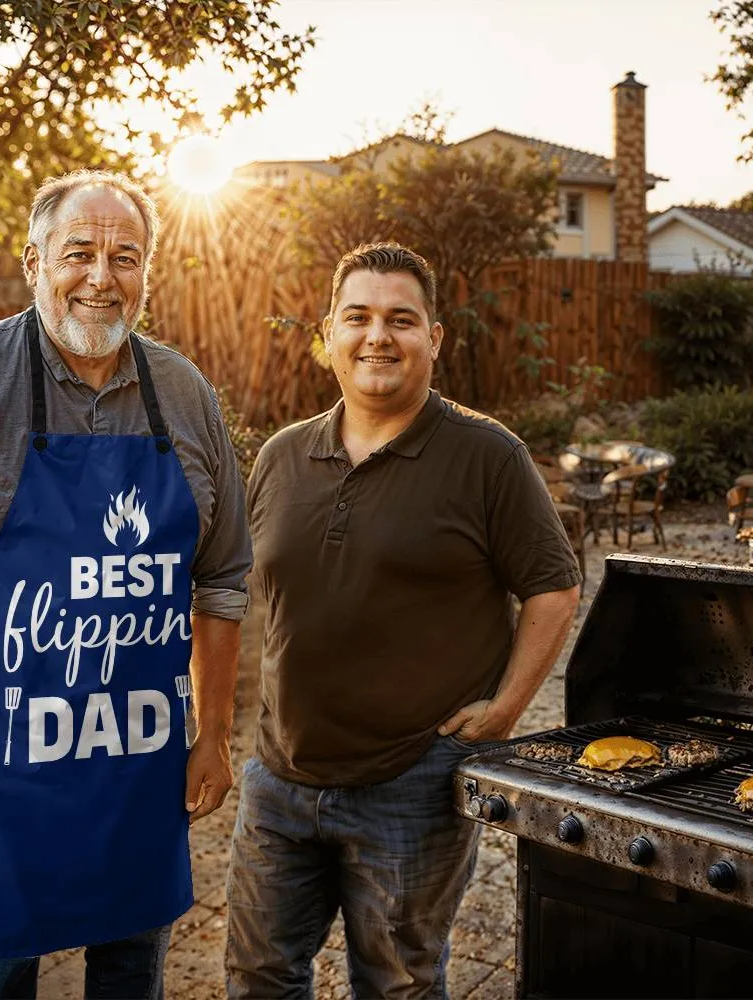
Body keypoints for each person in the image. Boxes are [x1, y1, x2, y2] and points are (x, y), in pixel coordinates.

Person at [0, 169, 252, 1000]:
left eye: (125, 257)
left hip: (139, 780)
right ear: (33, 263)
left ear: (147, 275)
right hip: (5, 784)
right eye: (80, 253)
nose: (102, 278)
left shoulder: (183, 393)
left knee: (132, 977)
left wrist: (212, 733)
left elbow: (224, 574)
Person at [226, 242, 581, 999]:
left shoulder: (488, 456)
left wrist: (507, 707)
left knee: (398, 985)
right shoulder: (283, 457)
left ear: (435, 339)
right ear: (328, 334)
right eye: (357, 317)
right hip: (279, 777)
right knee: (258, 978)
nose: (377, 336)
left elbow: (554, 587)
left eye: (401, 319)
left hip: (411, 783)